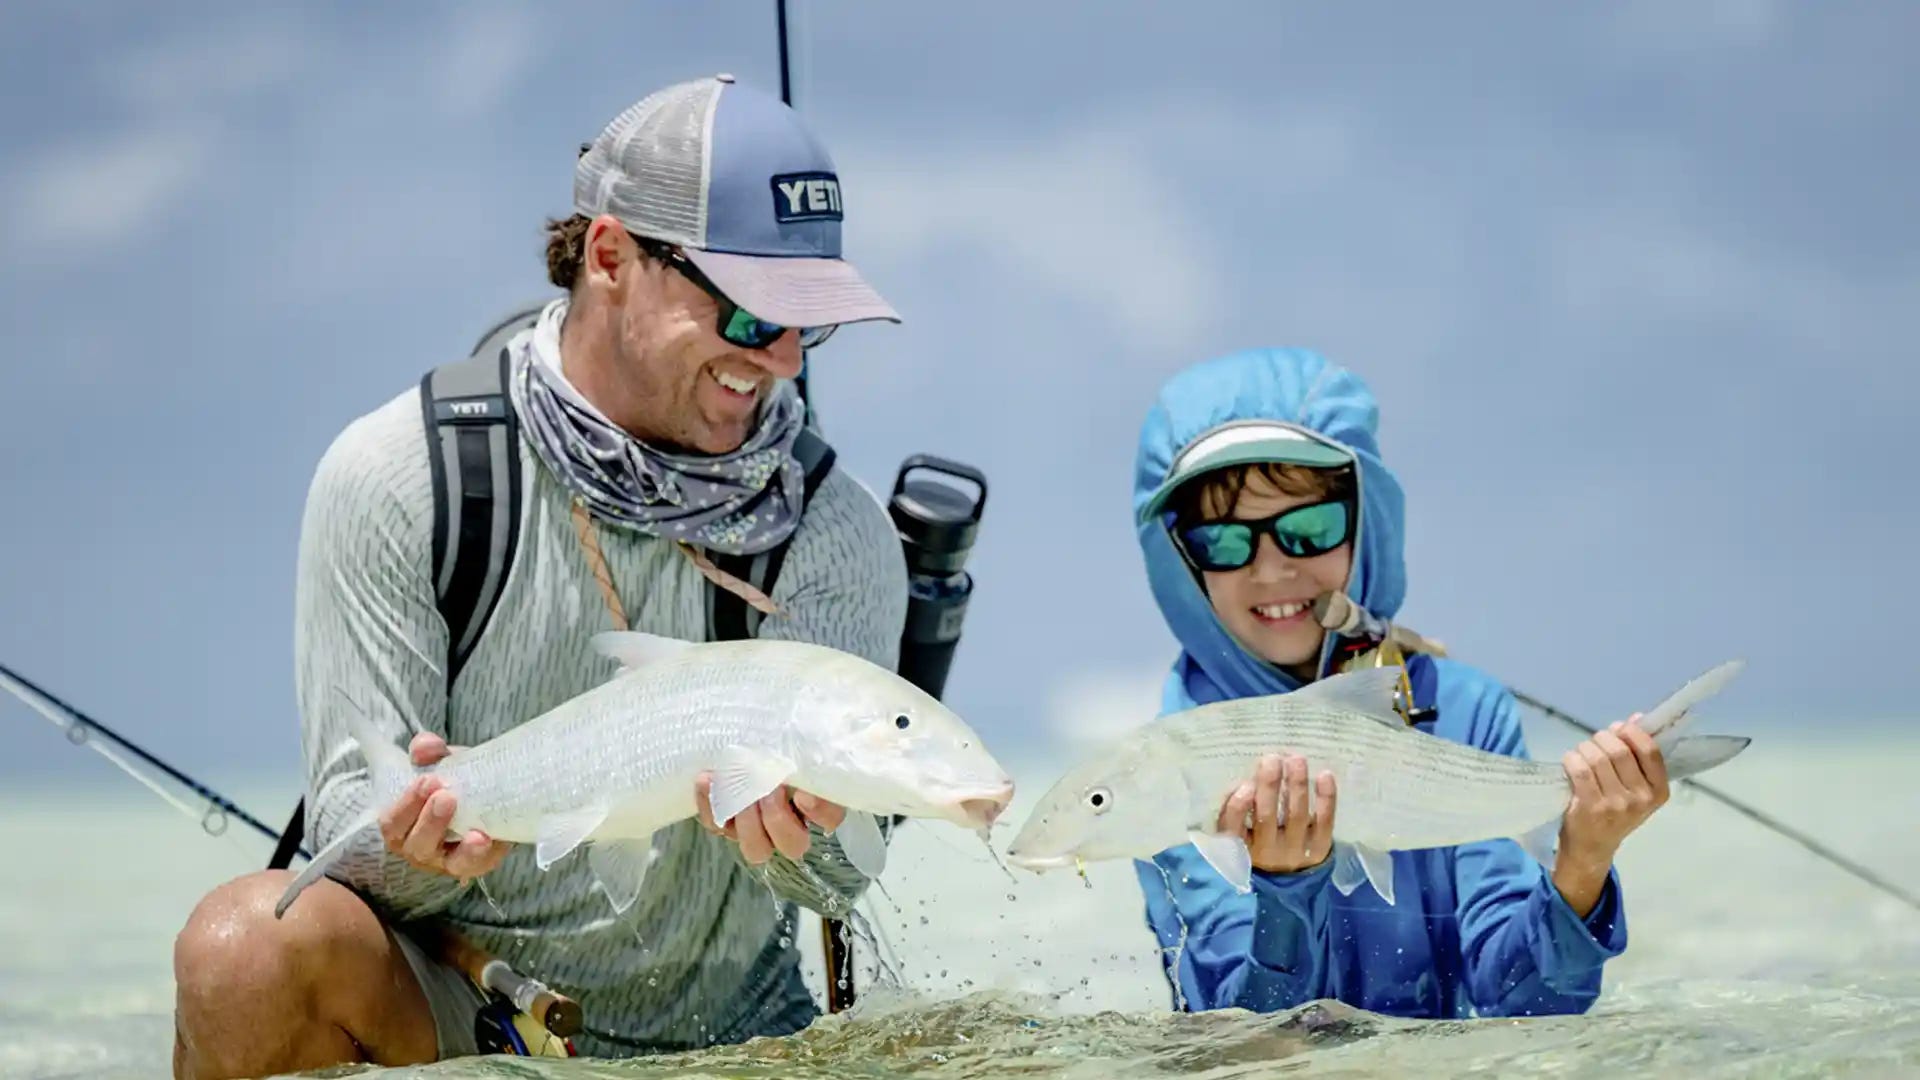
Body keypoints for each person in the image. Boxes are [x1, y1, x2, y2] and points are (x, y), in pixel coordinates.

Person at [170, 73, 910, 1077]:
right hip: (466, 1012)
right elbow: (349, 834)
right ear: (610, 257)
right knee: (242, 953)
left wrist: (812, 836)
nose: (780, 359)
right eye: (748, 312)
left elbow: (839, 886)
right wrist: (420, 853)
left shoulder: (835, 526)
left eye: (806, 322)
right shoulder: (401, 478)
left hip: (741, 1032)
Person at [1128, 347, 1673, 1019]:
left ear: (1368, 523)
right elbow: (1241, 1040)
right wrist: (1285, 892)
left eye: (1309, 528)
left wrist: (1584, 860)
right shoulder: (1160, 771)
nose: (1270, 570)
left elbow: (1527, 1007)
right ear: (1181, 561)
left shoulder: (1462, 710)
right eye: (1222, 542)